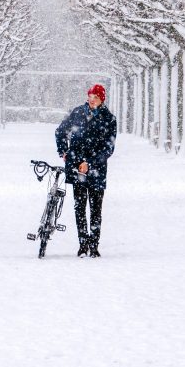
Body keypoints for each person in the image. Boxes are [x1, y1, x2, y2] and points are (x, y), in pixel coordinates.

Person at [55, 84, 117, 258]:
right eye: (90, 96)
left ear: (102, 99)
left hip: (97, 170)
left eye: (95, 97)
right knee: (79, 208)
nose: (92, 99)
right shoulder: (77, 113)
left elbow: (108, 148)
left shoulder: (109, 119)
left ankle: (94, 245)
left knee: (96, 209)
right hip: (76, 168)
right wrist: (63, 151)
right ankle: (83, 244)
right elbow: (60, 132)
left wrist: (89, 163)